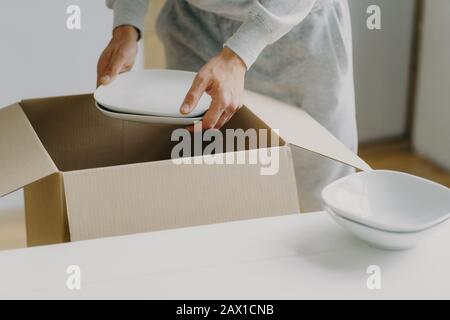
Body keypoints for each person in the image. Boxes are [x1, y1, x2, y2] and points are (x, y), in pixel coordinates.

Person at [97, 0, 357, 211]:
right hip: (195, 24)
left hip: (295, 31)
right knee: (203, 173)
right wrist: (126, 25)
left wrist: (238, 55)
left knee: (314, 185)